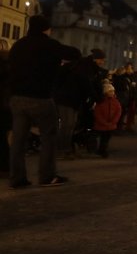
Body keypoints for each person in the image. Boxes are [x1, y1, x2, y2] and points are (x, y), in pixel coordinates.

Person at [8, 14, 81, 188]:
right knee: (49, 136)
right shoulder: (49, 45)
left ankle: (17, 179)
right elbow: (75, 53)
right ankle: (47, 176)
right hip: (40, 98)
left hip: (17, 98)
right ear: (46, 29)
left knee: (18, 140)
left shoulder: (18, 45)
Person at [93, 81, 122, 158]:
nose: (112, 93)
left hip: (111, 125)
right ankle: (102, 150)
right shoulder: (101, 102)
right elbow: (97, 113)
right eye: (110, 91)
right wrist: (104, 122)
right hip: (102, 125)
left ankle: (102, 150)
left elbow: (118, 112)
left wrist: (114, 121)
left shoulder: (115, 102)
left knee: (106, 138)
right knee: (103, 138)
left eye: (113, 91)